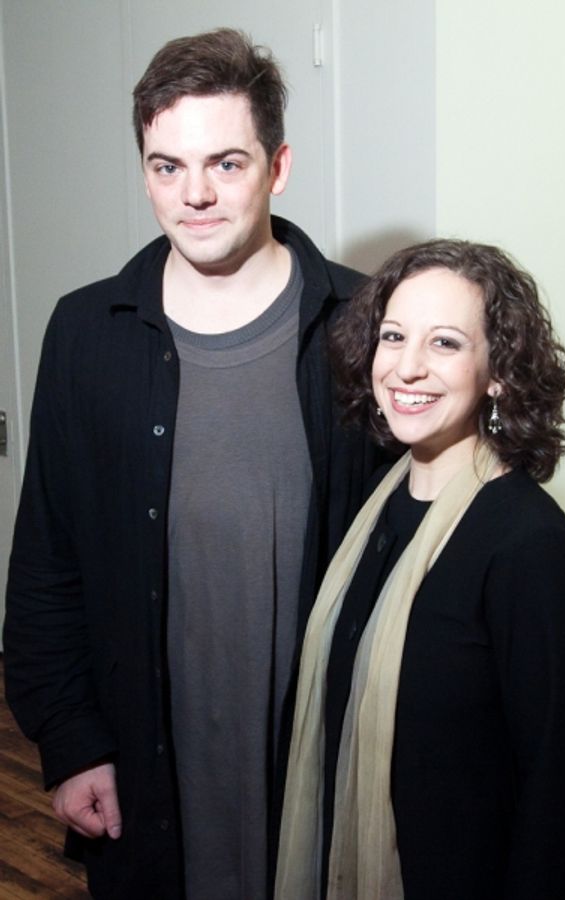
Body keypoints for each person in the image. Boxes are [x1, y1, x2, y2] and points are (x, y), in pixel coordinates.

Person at [3, 28, 379, 900]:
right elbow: (46, 569)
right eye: (166, 166)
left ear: (277, 167)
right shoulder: (84, 334)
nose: (195, 195)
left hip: (320, 781)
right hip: (144, 777)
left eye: (226, 163)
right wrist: (70, 742)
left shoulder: (365, 327)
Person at [275, 239, 565, 900]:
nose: (408, 367)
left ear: (499, 371)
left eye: (446, 343)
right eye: (393, 336)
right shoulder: (377, 511)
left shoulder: (528, 544)